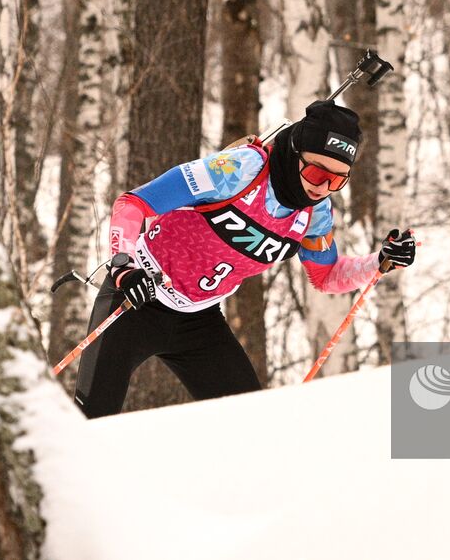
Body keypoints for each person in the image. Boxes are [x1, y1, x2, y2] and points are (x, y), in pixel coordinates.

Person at [73, 99, 415, 416]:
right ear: (296, 151)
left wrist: (379, 260)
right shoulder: (239, 170)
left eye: (337, 180)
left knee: (249, 424)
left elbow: (326, 276)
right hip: (136, 300)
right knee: (92, 420)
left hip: (198, 321)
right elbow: (132, 204)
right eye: (316, 173)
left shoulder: (317, 214)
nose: (322, 188)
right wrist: (124, 266)